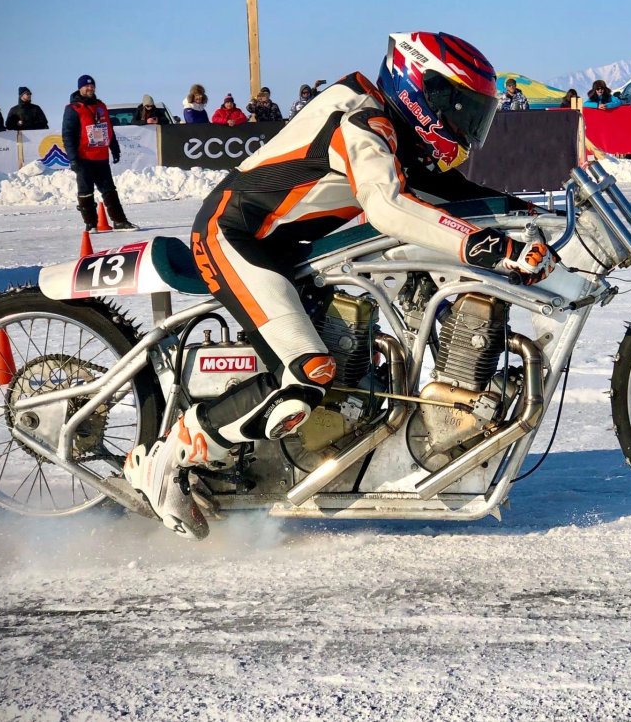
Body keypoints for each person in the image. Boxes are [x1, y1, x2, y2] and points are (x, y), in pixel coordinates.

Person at [123, 31, 552, 539]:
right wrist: (489, 247)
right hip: (237, 239)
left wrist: (525, 216)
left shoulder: (390, 127)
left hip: (285, 252)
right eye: (458, 107)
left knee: (352, 352)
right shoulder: (361, 122)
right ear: (422, 91)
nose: (463, 125)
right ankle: (168, 459)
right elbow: (387, 205)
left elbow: (453, 192)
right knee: (308, 376)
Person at [62, 74, 136, 233]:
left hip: (101, 157)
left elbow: (109, 128)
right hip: (84, 158)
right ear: (80, 88)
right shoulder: (73, 109)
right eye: (86, 86)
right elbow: (67, 135)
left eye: (92, 86)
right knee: (85, 192)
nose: (90, 88)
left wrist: (114, 148)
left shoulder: (101, 106)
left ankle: (119, 221)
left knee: (109, 190)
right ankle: (91, 224)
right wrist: (73, 158)